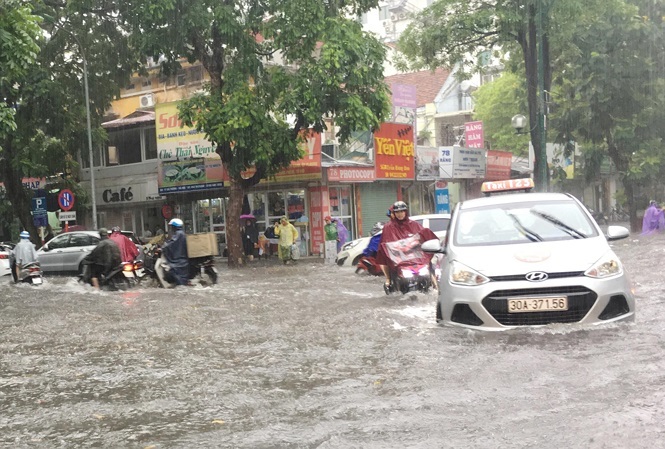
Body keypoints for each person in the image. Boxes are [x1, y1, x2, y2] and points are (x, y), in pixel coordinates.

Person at [375, 201, 437, 292]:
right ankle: (388, 279)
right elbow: (385, 243)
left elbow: (423, 236)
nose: (400, 214)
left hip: (416, 258)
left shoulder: (414, 224)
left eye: (402, 211)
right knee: (384, 260)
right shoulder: (388, 227)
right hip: (398, 258)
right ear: (394, 213)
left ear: (406, 212)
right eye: (397, 212)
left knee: (429, 265)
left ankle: (434, 283)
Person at [161, 218, 189, 285]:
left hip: (180, 258)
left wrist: (163, 247)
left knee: (172, 268)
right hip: (182, 256)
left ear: (175, 227)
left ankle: (180, 283)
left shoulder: (178, 234)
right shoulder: (180, 233)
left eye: (172, 227)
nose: (171, 229)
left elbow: (172, 243)